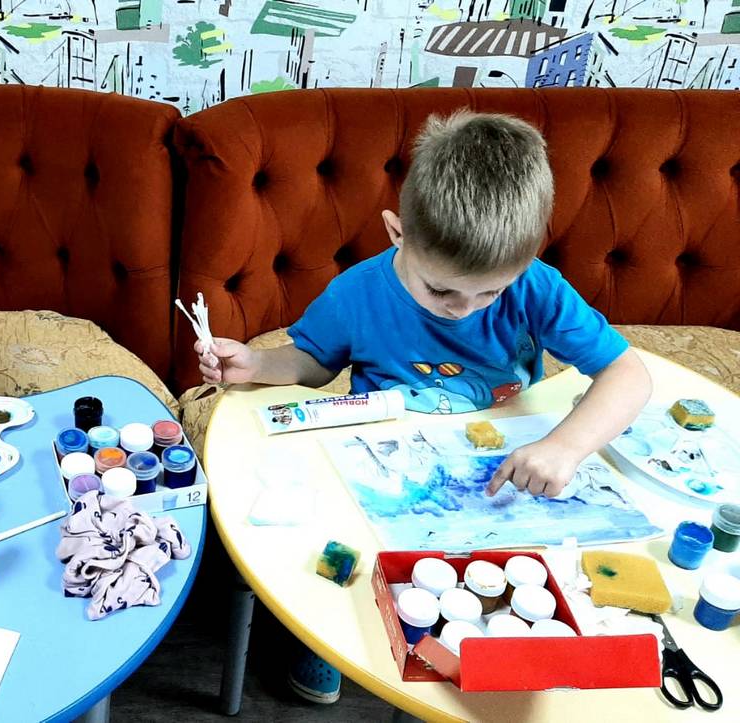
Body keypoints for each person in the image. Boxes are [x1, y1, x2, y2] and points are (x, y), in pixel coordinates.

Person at [197, 110, 651, 703]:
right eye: (441, 289)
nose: (464, 308)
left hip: (497, 464)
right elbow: (312, 361)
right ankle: (328, 641)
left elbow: (627, 374)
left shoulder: (536, 286)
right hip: (382, 456)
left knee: (509, 578)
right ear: (396, 232)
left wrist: (564, 446)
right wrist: (258, 365)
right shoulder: (358, 292)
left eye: (490, 292)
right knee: (336, 553)